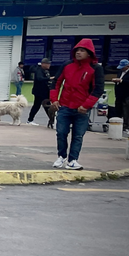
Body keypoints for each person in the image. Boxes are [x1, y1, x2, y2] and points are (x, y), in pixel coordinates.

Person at [50, 39, 104, 170]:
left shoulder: (95, 68)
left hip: (82, 109)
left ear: (89, 53)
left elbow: (98, 89)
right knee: (61, 133)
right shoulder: (67, 65)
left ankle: (73, 160)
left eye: (82, 51)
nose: (78, 53)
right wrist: (54, 99)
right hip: (64, 106)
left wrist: (86, 105)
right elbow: (56, 82)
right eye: (77, 51)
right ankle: (61, 157)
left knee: (78, 135)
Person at [111, 59, 129, 132]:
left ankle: (126, 125)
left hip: (128, 93)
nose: (121, 68)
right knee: (118, 108)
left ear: (127, 66)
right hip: (119, 93)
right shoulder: (120, 71)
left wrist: (121, 81)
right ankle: (117, 123)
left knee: (127, 110)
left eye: (123, 67)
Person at [27, 58, 52, 125]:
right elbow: (39, 78)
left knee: (47, 106)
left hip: (45, 91)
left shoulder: (46, 71)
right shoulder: (39, 70)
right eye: (47, 64)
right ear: (43, 64)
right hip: (39, 92)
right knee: (37, 106)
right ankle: (30, 120)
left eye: (49, 63)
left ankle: (52, 120)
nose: (49, 65)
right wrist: (49, 78)